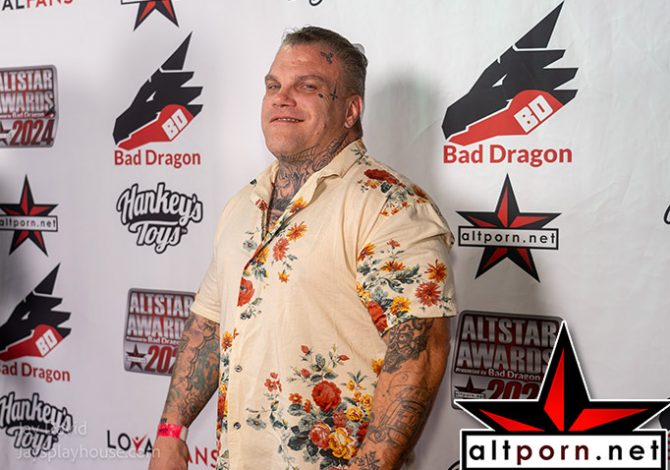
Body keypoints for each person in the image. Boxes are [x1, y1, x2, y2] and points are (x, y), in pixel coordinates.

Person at [149, 26, 457, 470]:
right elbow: (210, 325)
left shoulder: (388, 205)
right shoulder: (243, 205)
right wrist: (171, 431)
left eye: (307, 86)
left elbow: (420, 351)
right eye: (273, 85)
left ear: (351, 109)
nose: (282, 98)